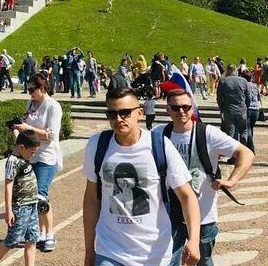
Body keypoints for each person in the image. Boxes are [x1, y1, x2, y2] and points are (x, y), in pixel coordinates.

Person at [82, 86, 201, 266]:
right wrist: (89, 251)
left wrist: (194, 240)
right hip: (111, 251)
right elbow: (91, 199)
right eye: (112, 114)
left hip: (155, 253)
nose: (118, 119)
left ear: (140, 113)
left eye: (124, 112)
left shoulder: (159, 145)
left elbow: (187, 196)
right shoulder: (97, 145)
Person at [163, 89, 254, 266]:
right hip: (169, 214)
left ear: (192, 109)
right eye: (175, 107)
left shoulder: (207, 133)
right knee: (167, 261)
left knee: (203, 261)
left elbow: (246, 153)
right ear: (167, 109)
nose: (181, 111)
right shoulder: (159, 134)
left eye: (185, 107)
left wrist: (232, 180)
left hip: (204, 214)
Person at [14, 74, 63, 252]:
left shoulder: (53, 106)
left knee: (40, 196)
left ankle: (49, 234)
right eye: (28, 90)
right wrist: (19, 129)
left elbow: (51, 135)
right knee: (32, 195)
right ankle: (40, 232)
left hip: (47, 156)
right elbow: (26, 124)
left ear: (42, 89)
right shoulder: (31, 104)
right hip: (30, 155)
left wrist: (29, 129)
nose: (30, 94)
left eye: (32, 90)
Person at [0, 132, 42, 266]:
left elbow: (20, 136)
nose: (33, 155)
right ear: (21, 147)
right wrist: (9, 211)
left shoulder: (23, 153)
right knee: (12, 240)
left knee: (32, 239)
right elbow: (8, 187)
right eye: (32, 152)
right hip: (20, 207)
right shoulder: (12, 161)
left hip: (32, 205)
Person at [216, 65, 251, 145]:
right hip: (241, 109)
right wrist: (246, 107)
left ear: (228, 70)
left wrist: (221, 108)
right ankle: (243, 149)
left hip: (228, 109)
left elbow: (219, 97)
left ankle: (232, 152)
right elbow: (248, 97)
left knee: (230, 131)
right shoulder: (243, 81)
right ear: (235, 70)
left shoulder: (223, 81)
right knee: (243, 130)